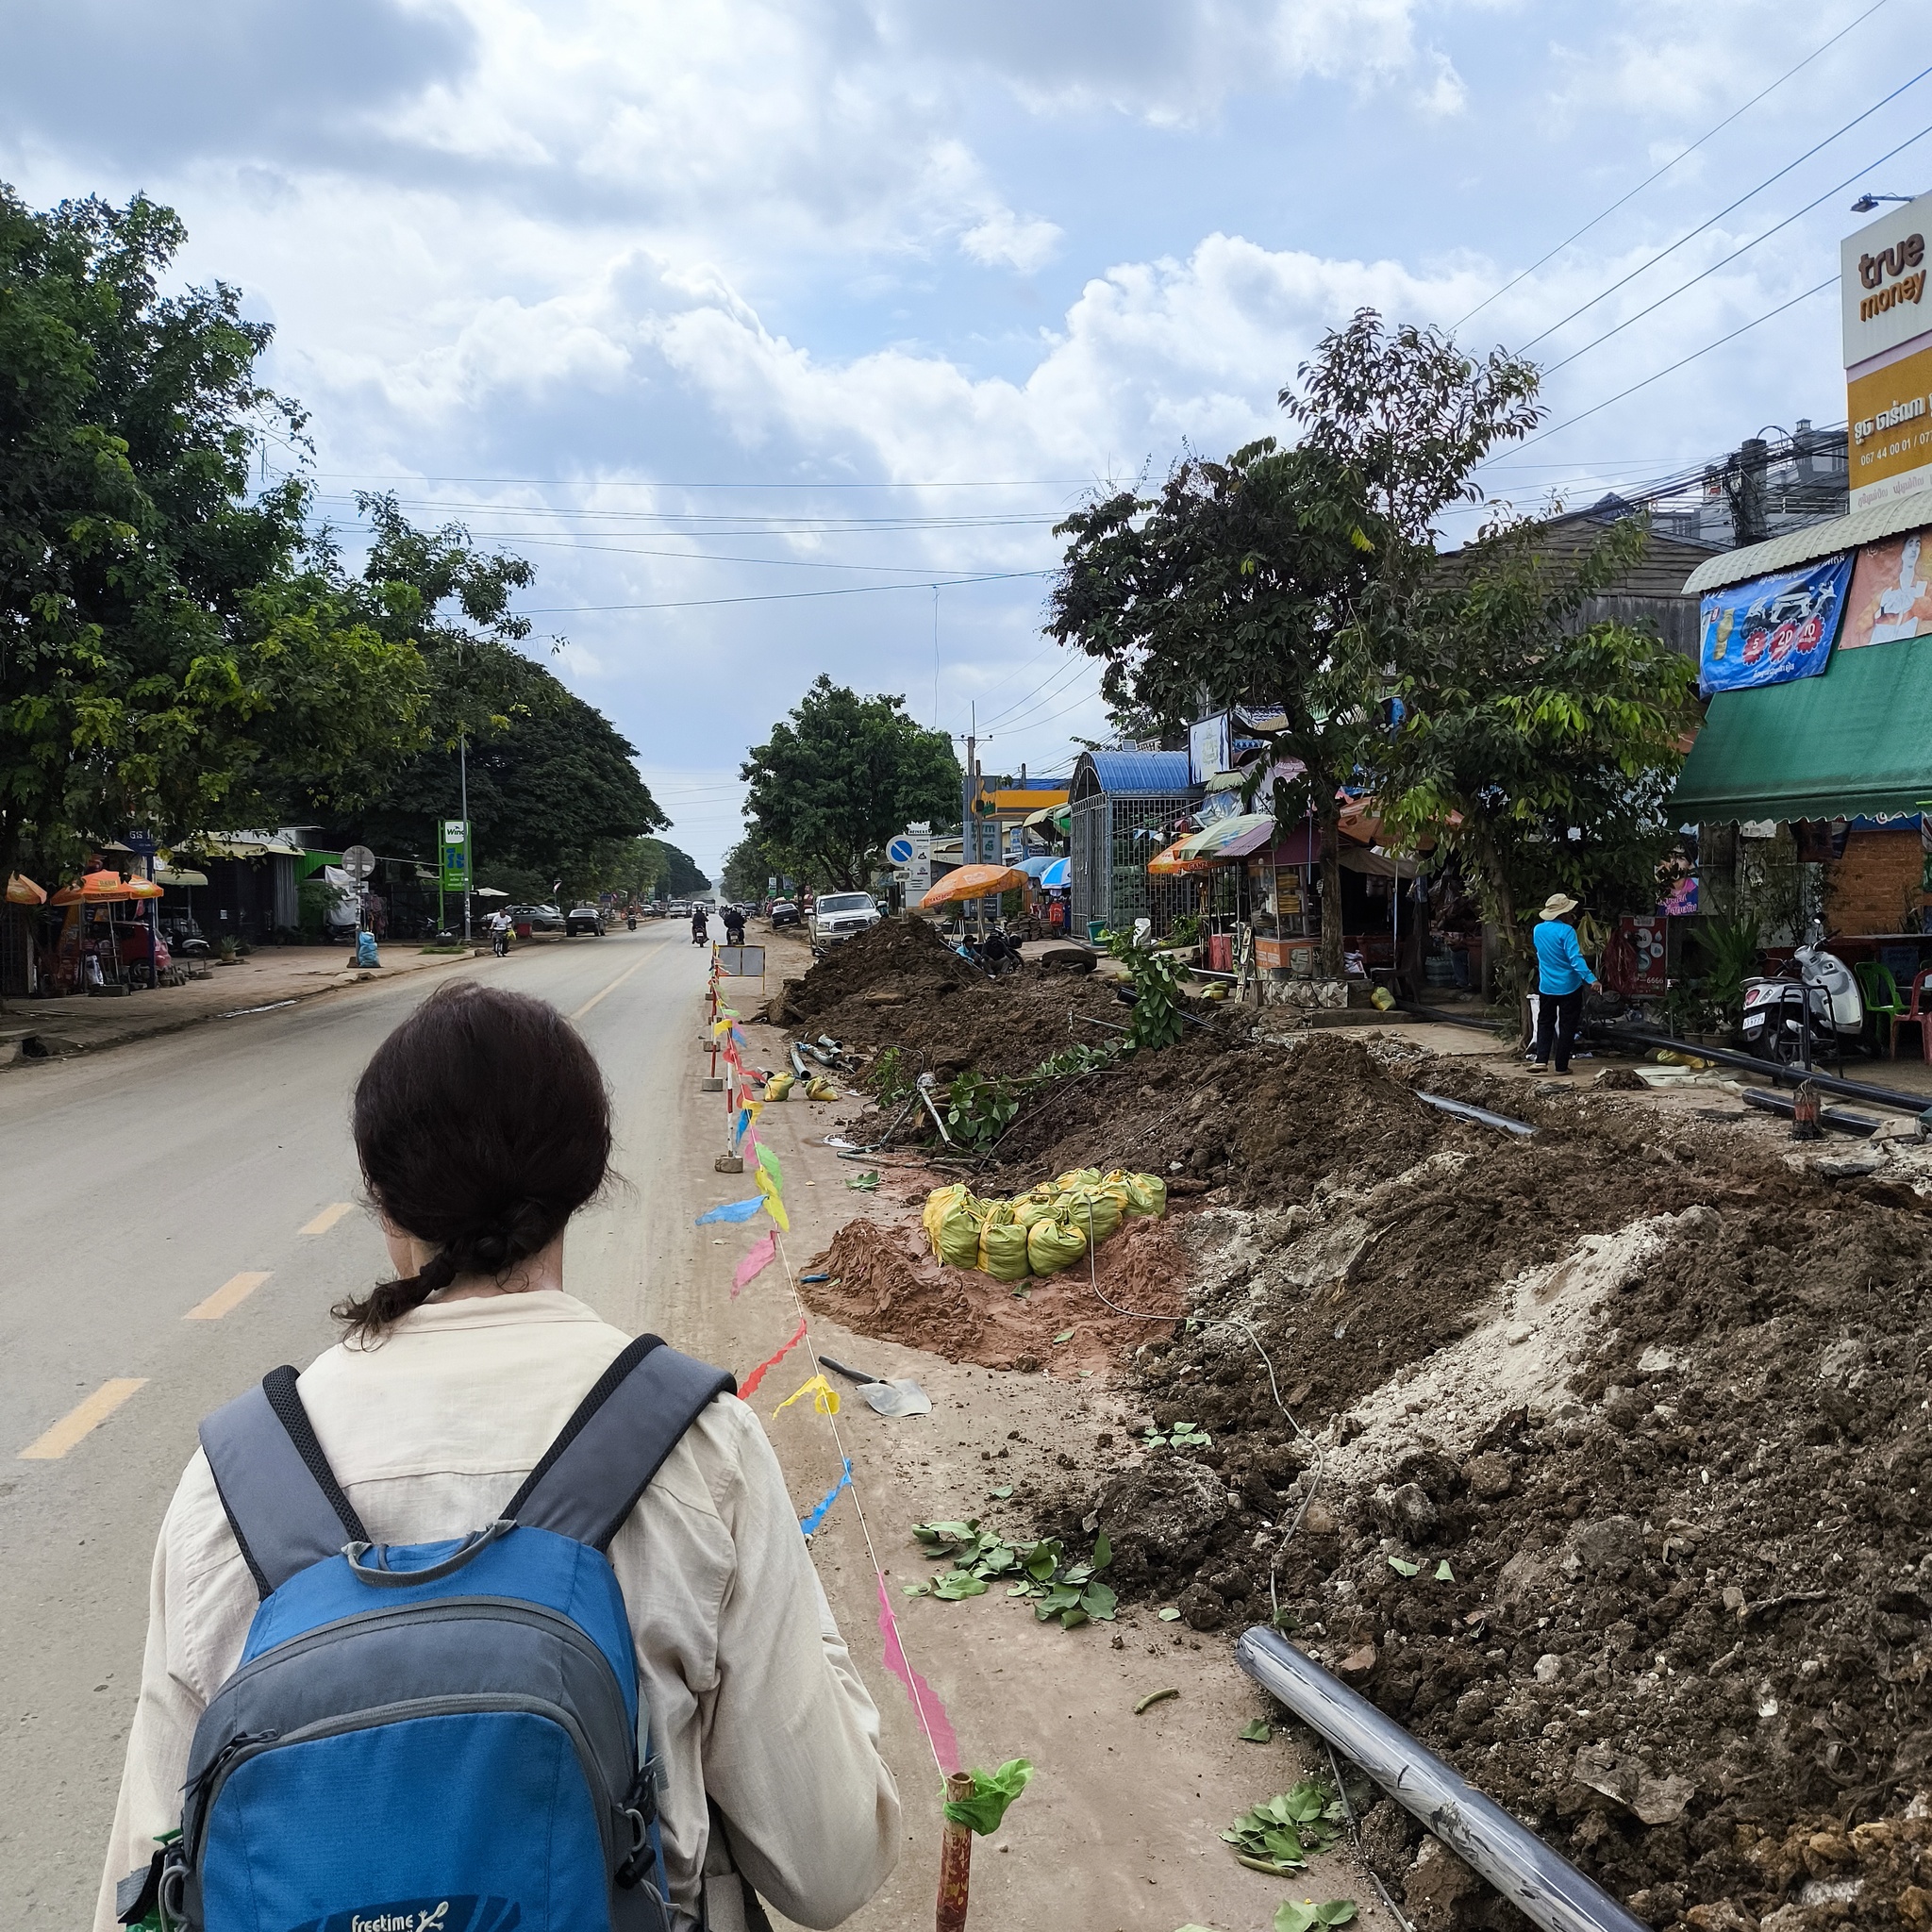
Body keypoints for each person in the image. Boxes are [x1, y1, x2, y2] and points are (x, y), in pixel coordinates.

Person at [94, 981, 900, 1932]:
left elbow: (143, 1883)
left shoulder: (230, 1481)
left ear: (380, 1191)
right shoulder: (697, 1449)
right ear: (587, 1174)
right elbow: (832, 1863)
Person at [1530, 891, 1597, 1074]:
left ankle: (1540, 1060)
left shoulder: (1538, 930)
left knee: (1545, 1021)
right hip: (1569, 986)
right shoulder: (1567, 931)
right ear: (1564, 914)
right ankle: (1561, 1066)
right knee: (1567, 1025)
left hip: (1547, 985)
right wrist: (1591, 979)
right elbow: (1575, 959)